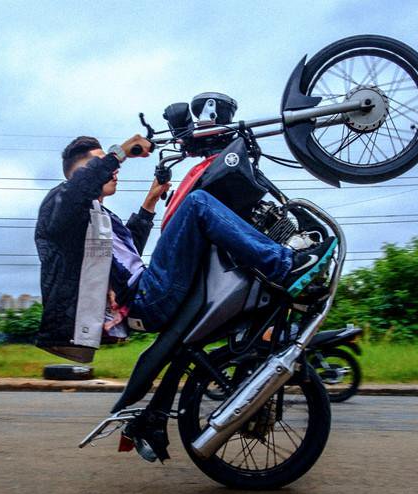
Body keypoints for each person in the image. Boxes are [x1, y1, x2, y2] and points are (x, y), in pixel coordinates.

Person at [34, 134, 335, 363]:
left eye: (108, 163)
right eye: (99, 163)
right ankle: (285, 266)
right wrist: (120, 152)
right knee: (197, 204)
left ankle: (262, 317)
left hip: (144, 292)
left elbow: (127, 260)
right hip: (145, 298)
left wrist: (150, 202)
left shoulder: (97, 217)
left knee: (211, 238)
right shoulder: (60, 202)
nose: (112, 170)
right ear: (80, 173)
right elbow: (79, 190)